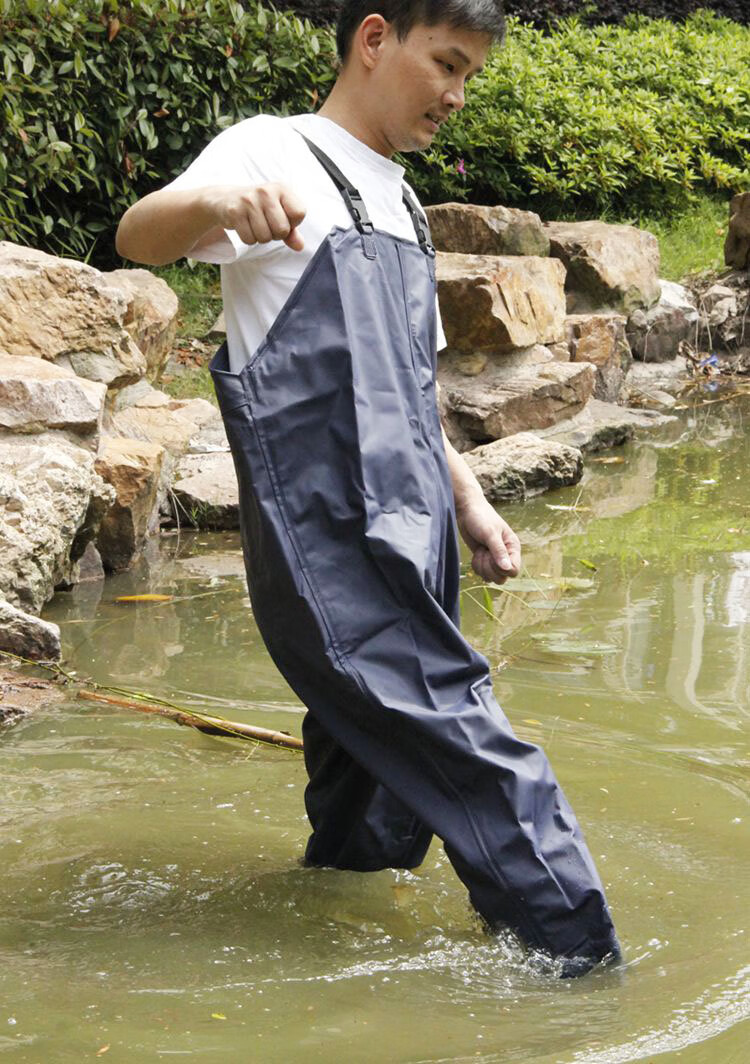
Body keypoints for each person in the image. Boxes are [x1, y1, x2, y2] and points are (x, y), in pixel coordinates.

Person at [117, 0, 620, 975]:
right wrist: (216, 205)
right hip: (329, 541)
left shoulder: (404, 207)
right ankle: (588, 973)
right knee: (476, 750)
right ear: (376, 39)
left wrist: (468, 503)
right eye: (447, 63)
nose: (458, 94)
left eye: (471, 75)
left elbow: (409, 389)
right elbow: (139, 234)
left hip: (417, 531)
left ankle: (332, 941)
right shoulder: (274, 150)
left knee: (374, 783)